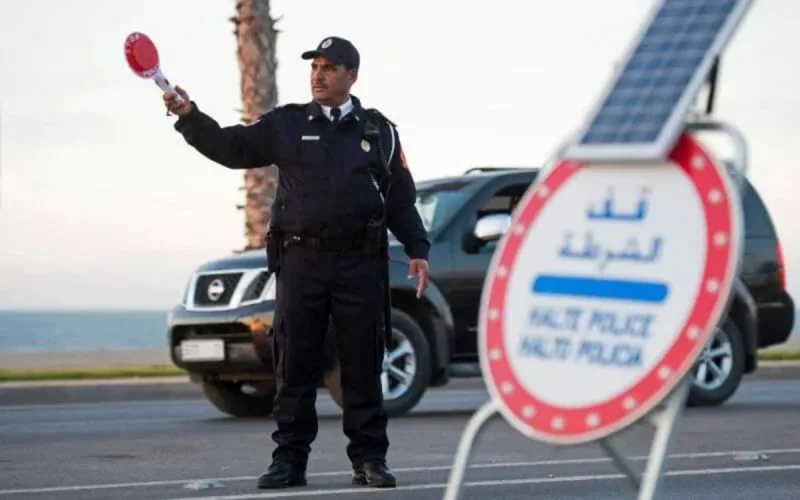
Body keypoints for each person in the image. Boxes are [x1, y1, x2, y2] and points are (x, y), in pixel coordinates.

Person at [162, 36, 430, 490]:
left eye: (329, 67)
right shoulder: (286, 124)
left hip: (360, 262)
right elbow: (230, 148)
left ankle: (369, 459)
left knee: (362, 364)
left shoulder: (379, 132)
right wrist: (189, 116)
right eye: (315, 67)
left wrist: (418, 248)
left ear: (352, 76)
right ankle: (289, 461)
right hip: (301, 261)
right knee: (295, 364)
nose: (319, 75)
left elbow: (400, 199)